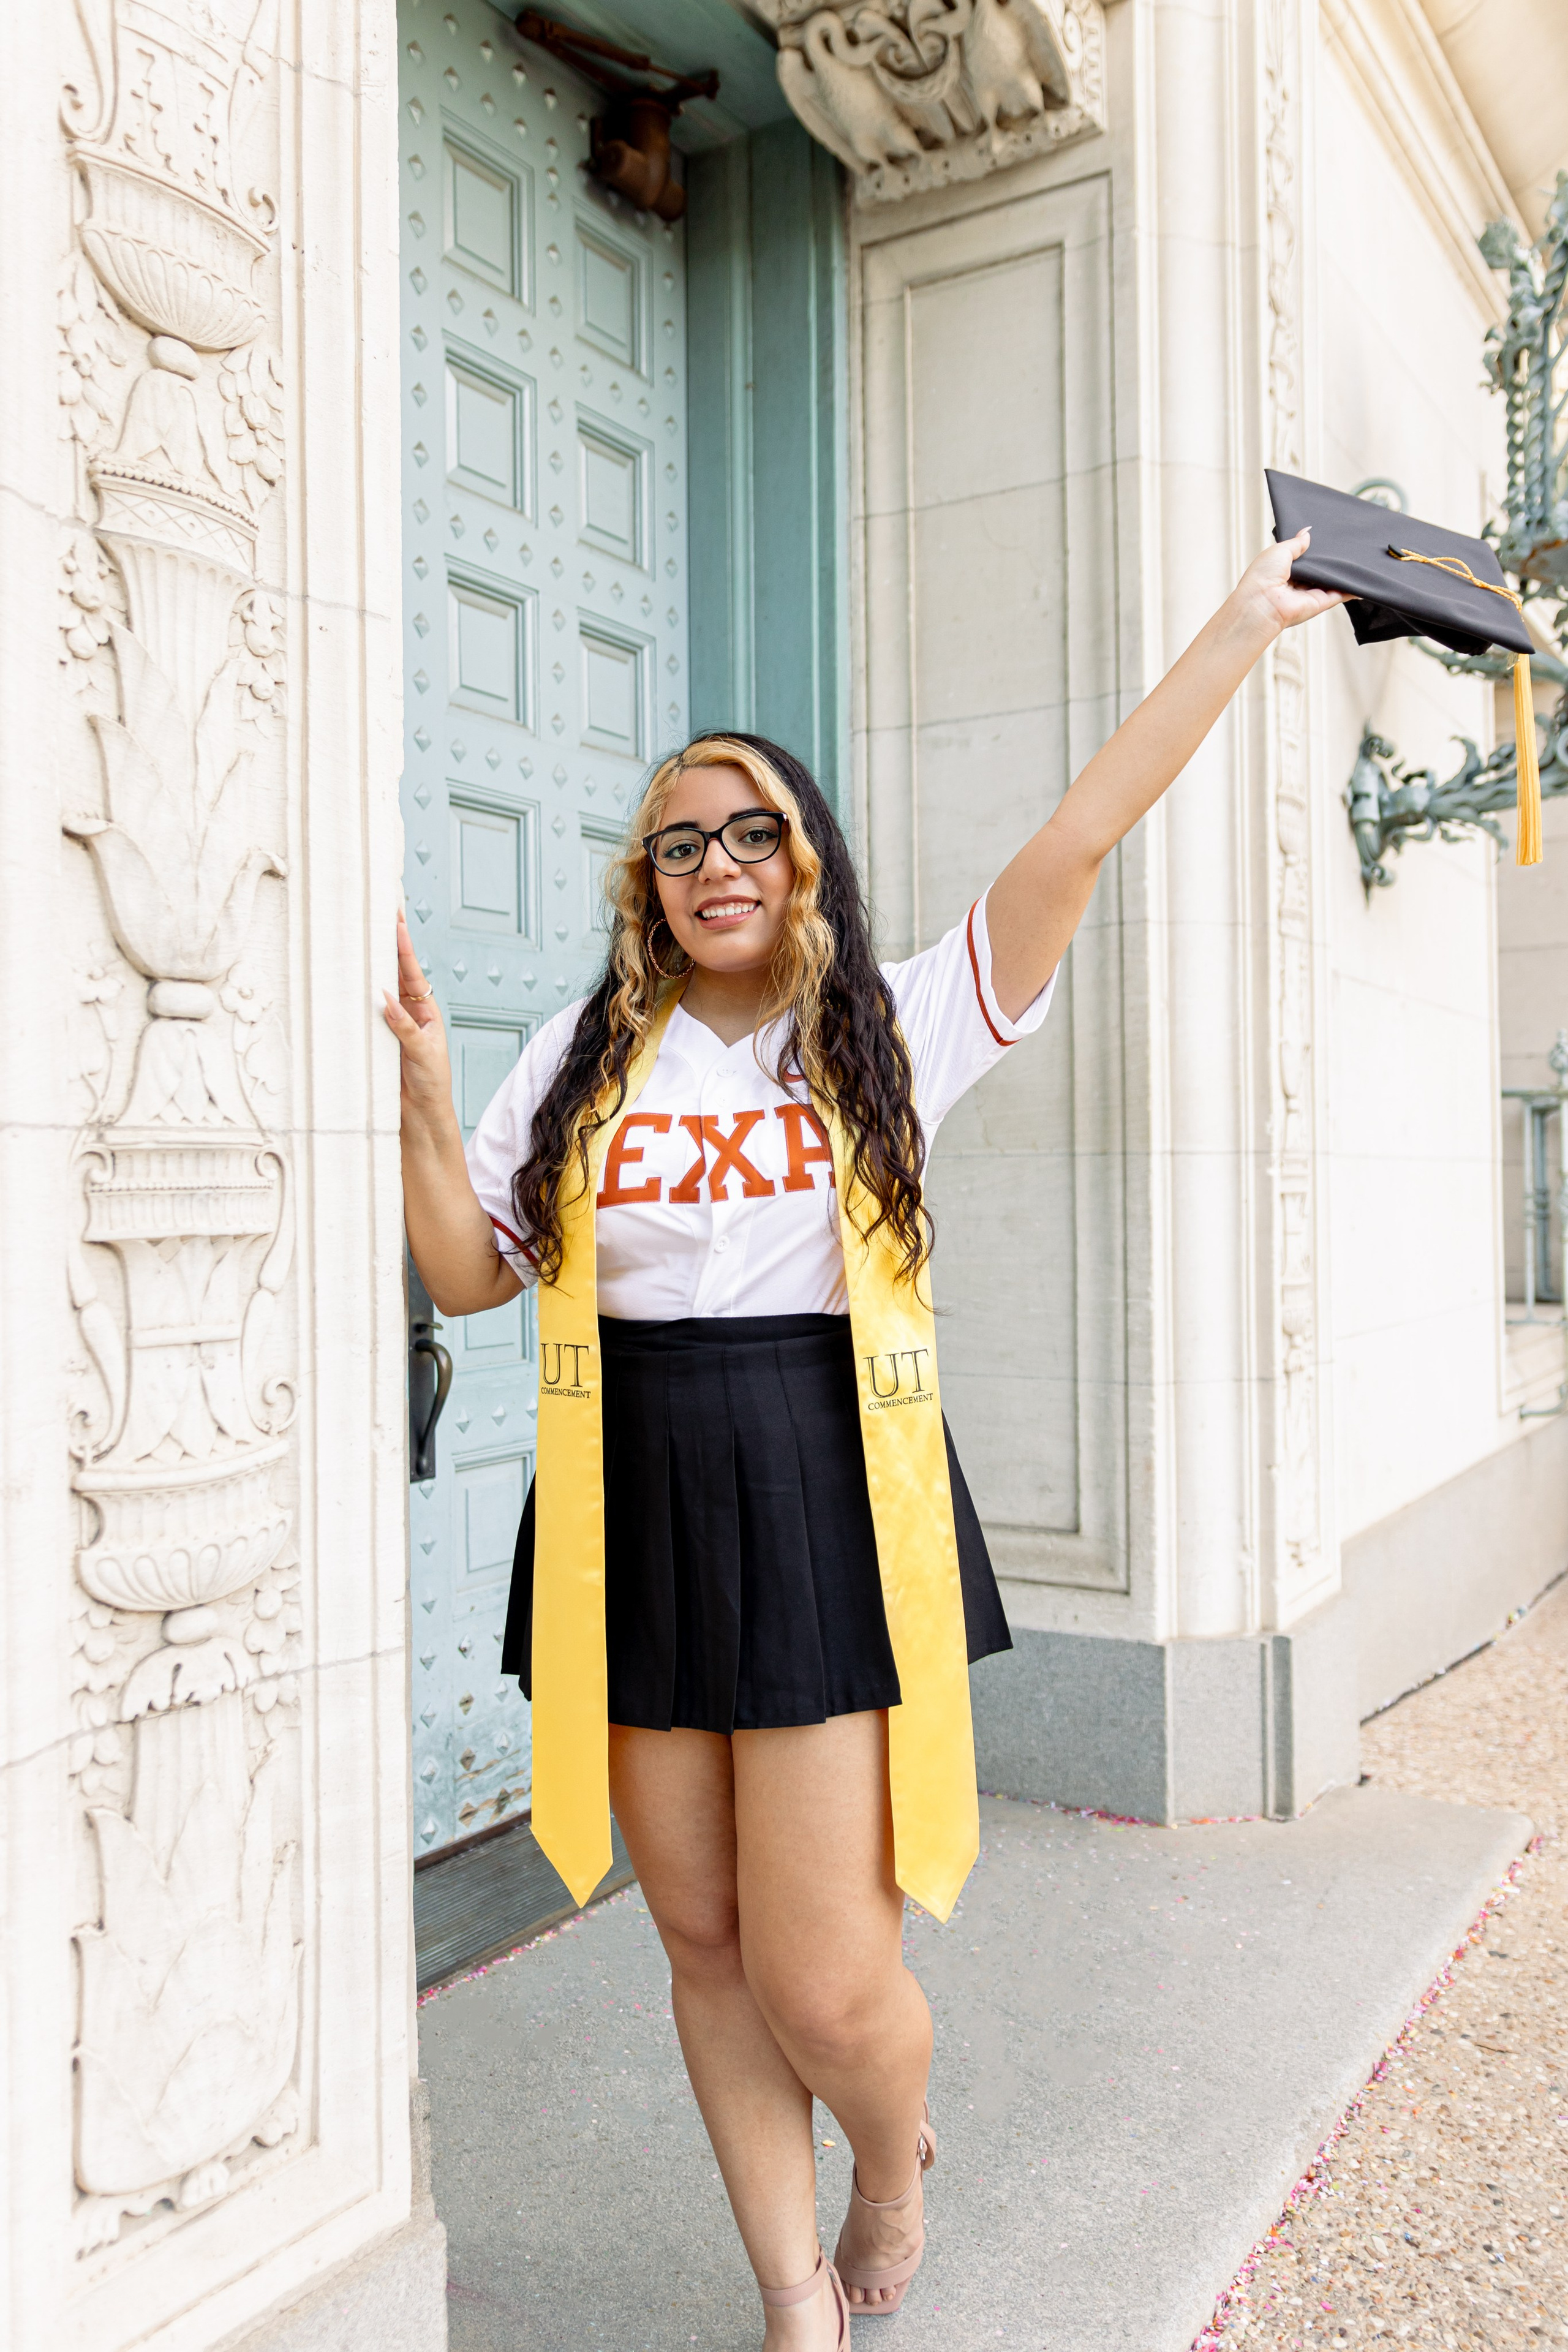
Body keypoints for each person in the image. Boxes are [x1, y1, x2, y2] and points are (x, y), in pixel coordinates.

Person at [385, 531, 1344, 2347]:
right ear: (645, 883)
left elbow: (1071, 842)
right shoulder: (584, 1058)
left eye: (750, 831)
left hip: (819, 1484)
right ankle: (790, 2298)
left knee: (827, 1978)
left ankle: (895, 2168)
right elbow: (467, 1276)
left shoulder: (883, 1028)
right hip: (631, 1502)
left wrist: (1236, 626)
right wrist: (433, 1107)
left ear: (804, 856)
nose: (715, 865)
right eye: (681, 840)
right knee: (701, 1946)